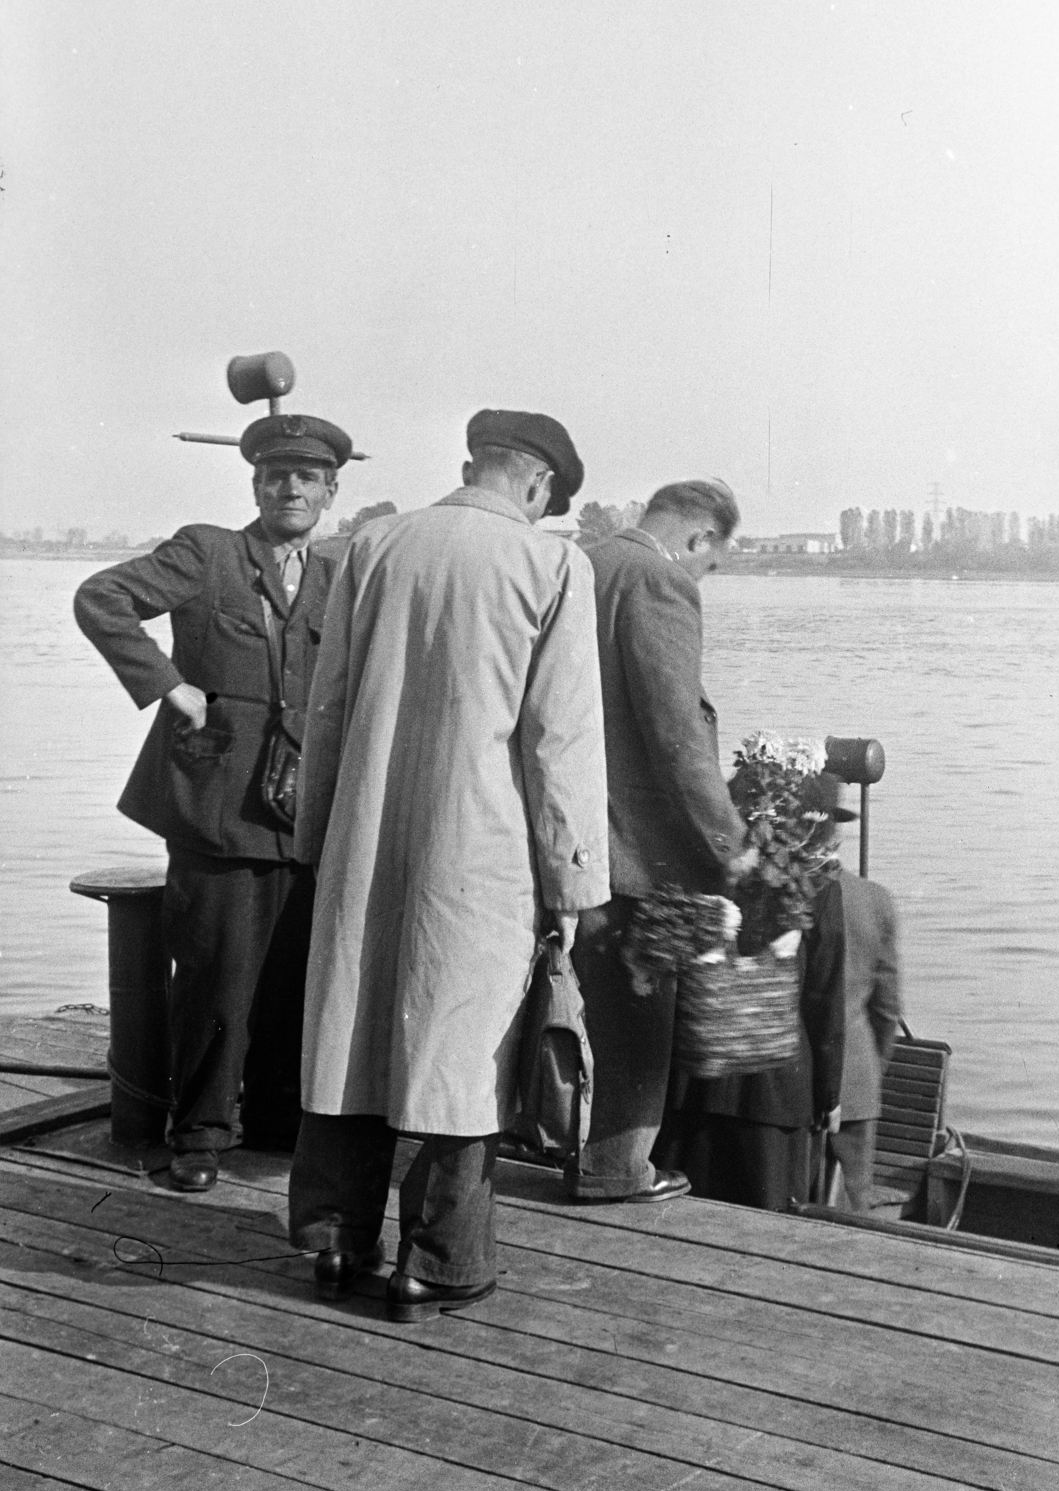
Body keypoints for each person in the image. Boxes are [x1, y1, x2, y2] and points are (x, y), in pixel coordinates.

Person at [288, 409, 609, 1320]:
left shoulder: (372, 546)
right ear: (541, 487)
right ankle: (438, 1262)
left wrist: (320, 837)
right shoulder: (552, 565)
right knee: (462, 1052)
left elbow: (328, 707)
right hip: (480, 844)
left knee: (351, 1029)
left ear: (473, 465)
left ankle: (333, 1241)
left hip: (366, 831)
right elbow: (562, 744)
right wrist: (576, 881)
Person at [74, 412, 352, 1192]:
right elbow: (102, 598)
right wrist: (171, 688)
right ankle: (197, 1133)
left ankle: (273, 1124)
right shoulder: (208, 551)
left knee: (292, 977)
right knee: (213, 976)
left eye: (306, 478)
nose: (289, 489)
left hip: (305, 817)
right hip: (214, 807)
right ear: (256, 485)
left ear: (331, 492)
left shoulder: (341, 578)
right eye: (275, 476)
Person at [565, 479, 755, 1204]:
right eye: (712, 561)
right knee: (641, 1013)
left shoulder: (582, 562)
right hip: (641, 849)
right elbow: (678, 737)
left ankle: (576, 1149)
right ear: (701, 537)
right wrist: (729, 841)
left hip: (574, 830)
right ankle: (617, 1168)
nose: (705, 574)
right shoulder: (660, 581)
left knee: (591, 1008)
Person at [652, 768, 849, 1212]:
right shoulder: (819, 882)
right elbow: (824, 995)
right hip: (778, 1091)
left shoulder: (704, 870)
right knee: (768, 1236)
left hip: (696, 1085)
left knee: (685, 1226)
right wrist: (828, 1096)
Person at [825, 799, 902, 1211]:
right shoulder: (875, 900)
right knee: (854, 1204)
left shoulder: (779, 894)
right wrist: (873, 1066)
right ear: (837, 834)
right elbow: (888, 1010)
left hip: (788, 1084)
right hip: (854, 1079)